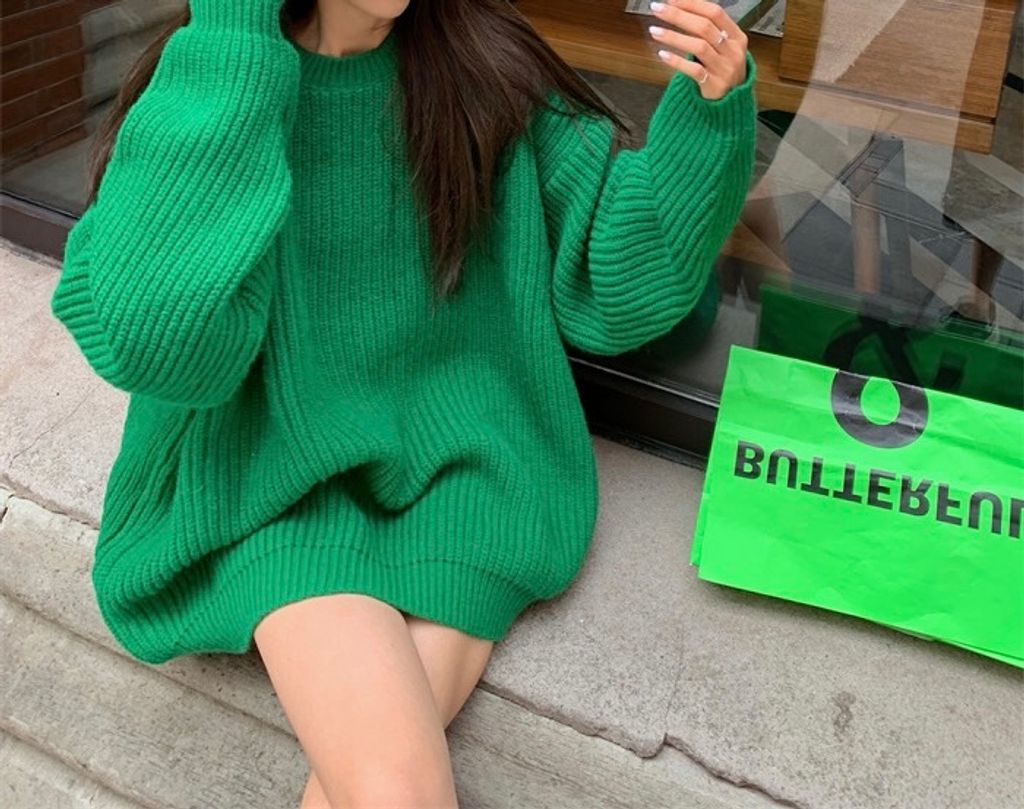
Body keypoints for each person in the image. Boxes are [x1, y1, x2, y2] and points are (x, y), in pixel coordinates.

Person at [50, 0, 756, 806]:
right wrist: (231, 33)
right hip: (272, 479)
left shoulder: (481, 63)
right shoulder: (216, 71)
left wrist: (707, 116)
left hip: (466, 475)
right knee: (394, 787)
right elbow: (157, 345)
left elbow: (618, 277)